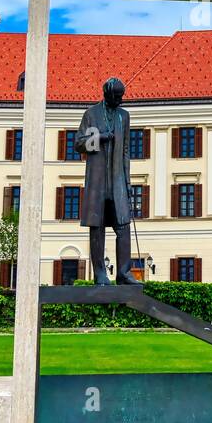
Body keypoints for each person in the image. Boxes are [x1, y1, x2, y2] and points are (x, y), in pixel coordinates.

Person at [74, 77, 139, 286]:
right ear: (107, 94)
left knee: (123, 226)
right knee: (97, 227)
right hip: (98, 180)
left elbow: (126, 151)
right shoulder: (91, 114)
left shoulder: (124, 116)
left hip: (118, 179)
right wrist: (100, 137)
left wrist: (128, 181)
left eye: (122, 96)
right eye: (117, 97)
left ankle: (123, 273)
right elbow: (79, 143)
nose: (120, 100)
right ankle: (100, 274)